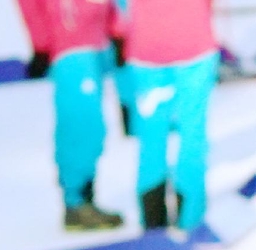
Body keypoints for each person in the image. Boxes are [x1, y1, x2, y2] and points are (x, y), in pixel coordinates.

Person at [15, 0, 126, 230]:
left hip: (95, 43)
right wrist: (42, 44)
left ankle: (83, 198)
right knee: (80, 126)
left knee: (93, 127)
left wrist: (116, 29)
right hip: (71, 47)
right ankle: (76, 202)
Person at [115, 0, 215, 231]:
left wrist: (121, 30)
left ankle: (153, 220)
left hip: (146, 50)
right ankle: (190, 219)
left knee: (151, 136)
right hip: (193, 45)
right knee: (192, 132)